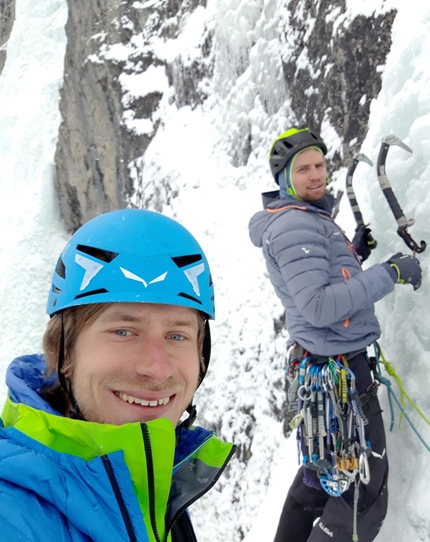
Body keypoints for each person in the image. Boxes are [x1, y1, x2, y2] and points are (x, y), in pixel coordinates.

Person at [0, 208, 235, 542]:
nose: (157, 368)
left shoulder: (153, 485)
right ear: (64, 353)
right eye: (124, 331)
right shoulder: (12, 515)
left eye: (177, 336)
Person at [248, 127, 422, 542]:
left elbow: (316, 277)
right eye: (303, 168)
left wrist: (354, 252)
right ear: (283, 179)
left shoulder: (302, 219)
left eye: (320, 165)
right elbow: (319, 305)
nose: (316, 175)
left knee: (320, 477)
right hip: (341, 372)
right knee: (365, 495)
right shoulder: (296, 225)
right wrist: (389, 272)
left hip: (324, 369)